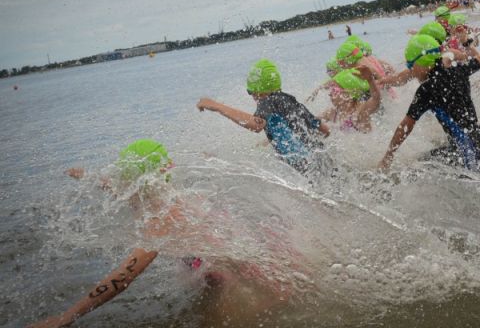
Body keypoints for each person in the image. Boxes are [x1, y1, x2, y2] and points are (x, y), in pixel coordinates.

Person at [32, 139, 305, 328]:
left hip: (234, 280)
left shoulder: (163, 219)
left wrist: (66, 317)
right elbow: (123, 191)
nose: (121, 186)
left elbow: (125, 276)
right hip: (234, 269)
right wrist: (89, 178)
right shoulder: (159, 197)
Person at [378, 34, 480, 174]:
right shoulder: (455, 70)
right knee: (423, 163)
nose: (411, 70)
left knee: (416, 171)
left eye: (411, 65)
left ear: (423, 61)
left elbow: (405, 126)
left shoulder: (427, 89)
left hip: (467, 151)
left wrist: (388, 156)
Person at [197, 59, 330, 173]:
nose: (253, 96)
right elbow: (324, 130)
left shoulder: (267, 101)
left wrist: (217, 106)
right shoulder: (291, 102)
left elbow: (256, 125)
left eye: (251, 92)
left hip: (304, 167)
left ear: (256, 91)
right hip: (322, 161)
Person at [320, 66, 382, 133]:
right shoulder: (332, 113)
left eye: (334, 91)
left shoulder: (360, 112)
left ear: (349, 95)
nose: (330, 94)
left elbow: (376, 99)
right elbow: (313, 121)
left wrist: (370, 80)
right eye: (331, 90)